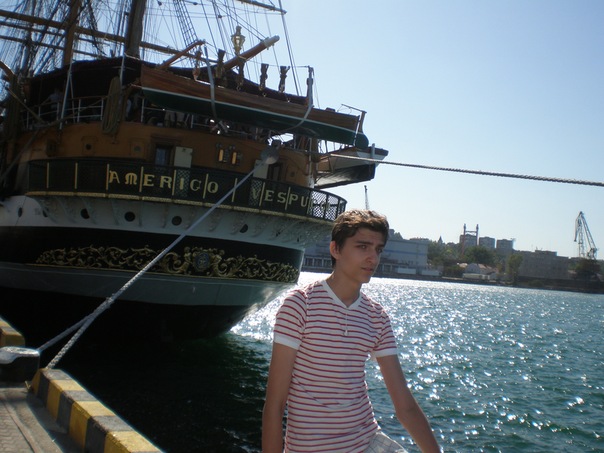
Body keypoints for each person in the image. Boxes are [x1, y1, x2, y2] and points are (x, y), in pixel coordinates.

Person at [262, 209, 440, 453]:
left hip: (367, 443)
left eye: (378, 249)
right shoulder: (300, 305)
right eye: (362, 247)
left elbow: (405, 406)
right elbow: (275, 404)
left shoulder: (377, 317)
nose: (373, 258)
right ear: (335, 249)